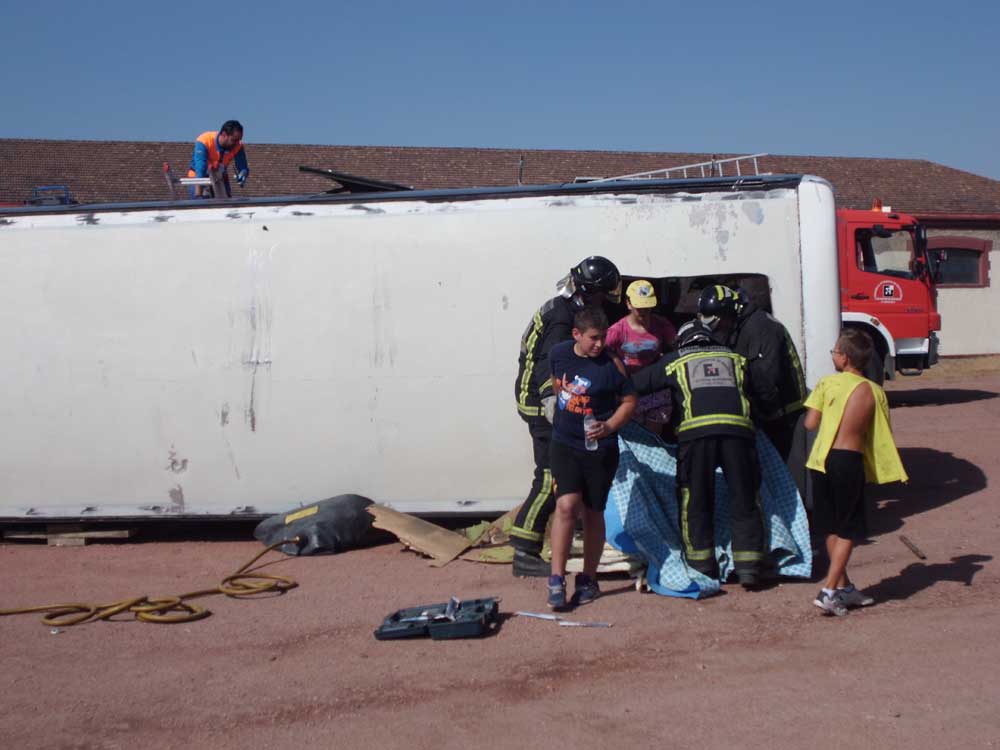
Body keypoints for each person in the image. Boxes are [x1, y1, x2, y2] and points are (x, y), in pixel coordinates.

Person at [510, 256, 622, 578]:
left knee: (556, 476)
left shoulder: (561, 307)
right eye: (601, 294)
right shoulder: (562, 319)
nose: (604, 301)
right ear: (590, 291)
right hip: (541, 403)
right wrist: (552, 402)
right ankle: (524, 550)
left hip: (540, 399)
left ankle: (542, 541)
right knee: (549, 476)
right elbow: (552, 364)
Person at [632, 320, 765, 586]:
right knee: (745, 496)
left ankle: (702, 565)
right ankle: (749, 566)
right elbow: (763, 390)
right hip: (738, 432)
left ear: (683, 342)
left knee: (696, 498)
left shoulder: (675, 360)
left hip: (696, 436)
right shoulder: (736, 358)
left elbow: (638, 384)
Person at [804, 328, 907, 616]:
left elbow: (810, 424)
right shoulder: (874, 392)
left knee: (833, 525)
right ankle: (838, 588)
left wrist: (824, 409)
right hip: (849, 460)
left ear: (844, 358)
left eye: (834, 352)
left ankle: (831, 589)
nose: (833, 356)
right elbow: (879, 432)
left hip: (821, 461)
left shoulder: (827, 384)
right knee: (848, 525)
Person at [546, 306, 637, 609]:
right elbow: (557, 381)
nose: (600, 344)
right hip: (564, 443)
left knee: (593, 512)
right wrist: (560, 406)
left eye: (603, 338)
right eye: (594, 339)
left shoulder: (612, 364)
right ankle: (556, 579)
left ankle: (588, 579)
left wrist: (609, 425)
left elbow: (629, 401)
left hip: (600, 449)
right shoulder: (559, 353)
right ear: (576, 335)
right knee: (567, 505)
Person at [729, 287, 808, 462]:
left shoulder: (761, 328)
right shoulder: (746, 325)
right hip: (773, 413)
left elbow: (766, 378)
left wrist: (760, 416)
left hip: (781, 416)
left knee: (782, 472)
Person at [605, 279, 676, 429]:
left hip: (655, 387)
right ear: (628, 303)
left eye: (647, 306)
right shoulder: (617, 331)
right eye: (639, 307)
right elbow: (602, 352)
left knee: (654, 437)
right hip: (629, 388)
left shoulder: (662, 324)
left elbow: (676, 346)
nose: (643, 311)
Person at [188, 120, 249, 198]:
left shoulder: (237, 145)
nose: (236, 143)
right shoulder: (205, 140)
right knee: (201, 203)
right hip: (199, 176)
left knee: (226, 205)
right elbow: (200, 167)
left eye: (239, 140)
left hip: (219, 176)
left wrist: (243, 173)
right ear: (224, 135)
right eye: (233, 140)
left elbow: (243, 166)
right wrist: (198, 193)